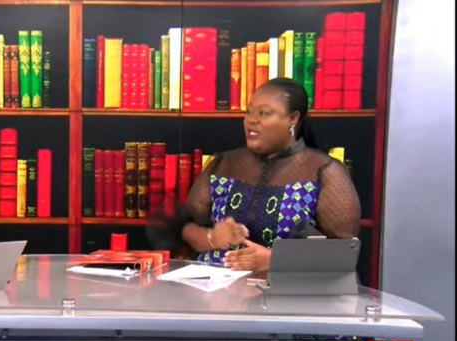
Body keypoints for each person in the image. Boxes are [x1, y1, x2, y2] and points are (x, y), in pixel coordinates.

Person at [148, 77, 361, 272]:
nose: (251, 120)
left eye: (264, 113)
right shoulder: (223, 164)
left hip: (284, 294)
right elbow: (182, 228)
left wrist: (274, 261)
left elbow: (344, 254)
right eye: (249, 112)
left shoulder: (324, 171)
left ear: (293, 119)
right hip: (214, 291)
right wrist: (212, 237)